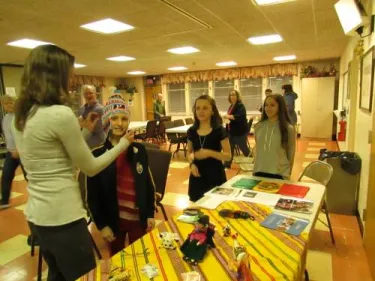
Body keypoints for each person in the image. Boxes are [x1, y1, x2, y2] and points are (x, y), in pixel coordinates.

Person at [11, 44, 134, 281]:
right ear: (54, 75)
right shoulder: (60, 113)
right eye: (69, 73)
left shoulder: (24, 114)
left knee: (57, 274)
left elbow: (52, 153)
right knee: (84, 275)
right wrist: (122, 145)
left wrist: (85, 131)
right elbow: (90, 166)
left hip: (38, 217)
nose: (72, 79)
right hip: (63, 217)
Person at [86, 93, 156, 257]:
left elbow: (148, 184)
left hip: (137, 219)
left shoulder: (139, 150)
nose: (119, 123)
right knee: (118, 260)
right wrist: (102, 225)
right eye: (115, 118)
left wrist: (150, 213)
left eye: (124, 119)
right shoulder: (97, 155)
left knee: (140, 255)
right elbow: (92, 196)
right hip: (113, 221)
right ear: (107, 121)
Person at [187, 95, 231, 202]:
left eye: (205, 108)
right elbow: (189, 153)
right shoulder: (191, 131)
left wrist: (209, 153)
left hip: (215, 176)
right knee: (197, 212)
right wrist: (191, 164)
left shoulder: (219, 130)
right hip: (197, 177)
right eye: (198, 108)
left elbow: (228, 156)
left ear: (212, 111)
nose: (201, 111)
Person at [253, 94, 296, 180]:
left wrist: (289, 171)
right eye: (266, 105)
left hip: (279, 173)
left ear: (280, 107)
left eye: (272, 105)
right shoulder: (258, 126)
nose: (268, 108)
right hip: (259, 171)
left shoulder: (288, 128)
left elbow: (291, 152)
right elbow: (258, 147)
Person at [0, 95, 26, 209]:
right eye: (5, 104)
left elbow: (26, 135)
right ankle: (4, 201)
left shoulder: (21, 117)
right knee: (6, 175)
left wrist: (20, 149)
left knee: (29, 176)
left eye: (10, 103)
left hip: (22, 152)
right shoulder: (5, 118)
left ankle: (40, 199)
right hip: (11, 153)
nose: (8, 105)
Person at [223, 90, 250, 168]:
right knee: (230, 148)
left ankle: (253, 162)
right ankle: (227, 164)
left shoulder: (240, 105)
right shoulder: (231, 105)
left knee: (244, 148)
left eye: (234, 95)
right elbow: (231, 117)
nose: (232, 96)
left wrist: (228, 116)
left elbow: (239, 117)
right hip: (232, 131)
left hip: (239, 131)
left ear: (237, 96)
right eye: (231, 95)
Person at [78, 85, 106, 149]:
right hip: (85, 142)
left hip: (98, 143)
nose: (88, 95)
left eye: (90, 93)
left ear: (95, 94)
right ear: (83, 95)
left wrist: (80, 122)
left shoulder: (99, 109)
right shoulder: (81, 108)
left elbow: (90, 127)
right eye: (86, 93)